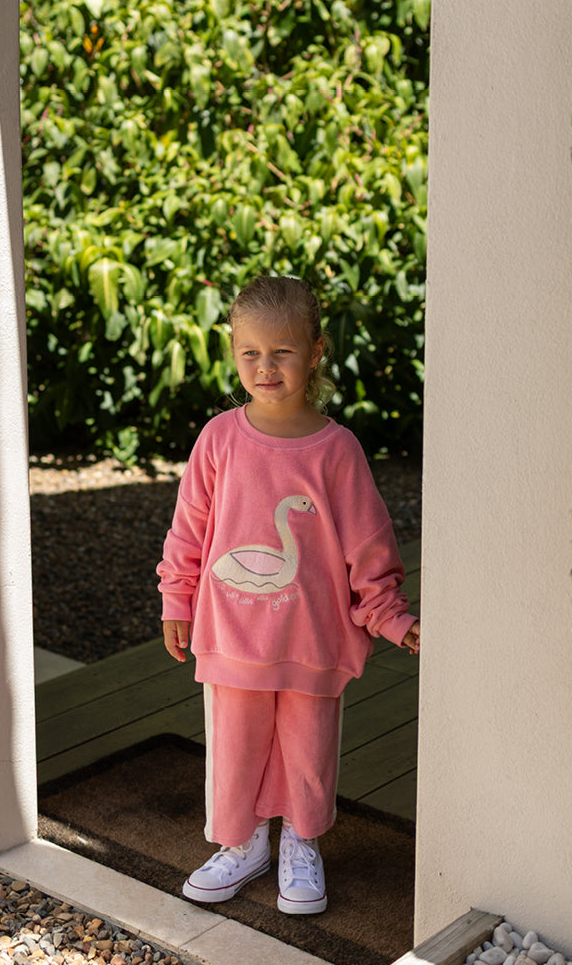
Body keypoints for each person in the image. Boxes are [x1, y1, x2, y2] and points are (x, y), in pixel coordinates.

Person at [156, 275, 421, 916]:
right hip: (231, 635)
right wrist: (177, 598)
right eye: (251, 352)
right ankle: (242, 843)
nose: (266, 367)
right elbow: (189, 527)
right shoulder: (218, 439)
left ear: (316, 352)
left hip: (310, 637)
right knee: (235, 744)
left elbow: (368, 545)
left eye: (283, 352)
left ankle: (302, 841)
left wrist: (390, 616)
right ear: (232, 351)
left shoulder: (337, 451)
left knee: (307, 747)